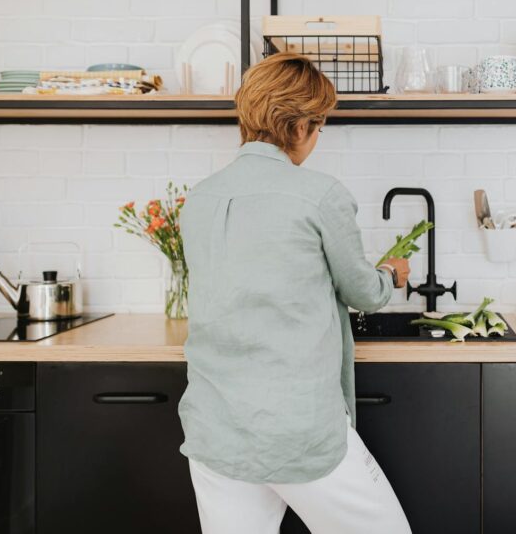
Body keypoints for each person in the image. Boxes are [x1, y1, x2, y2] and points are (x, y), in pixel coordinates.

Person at [177, 52, 413, 534]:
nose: (317, 137)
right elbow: (365, 292)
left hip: (216, 427)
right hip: (299, 431)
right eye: (320, 124)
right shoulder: (320, 195)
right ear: (301, 124)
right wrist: (392, 273)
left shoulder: (198, 199)